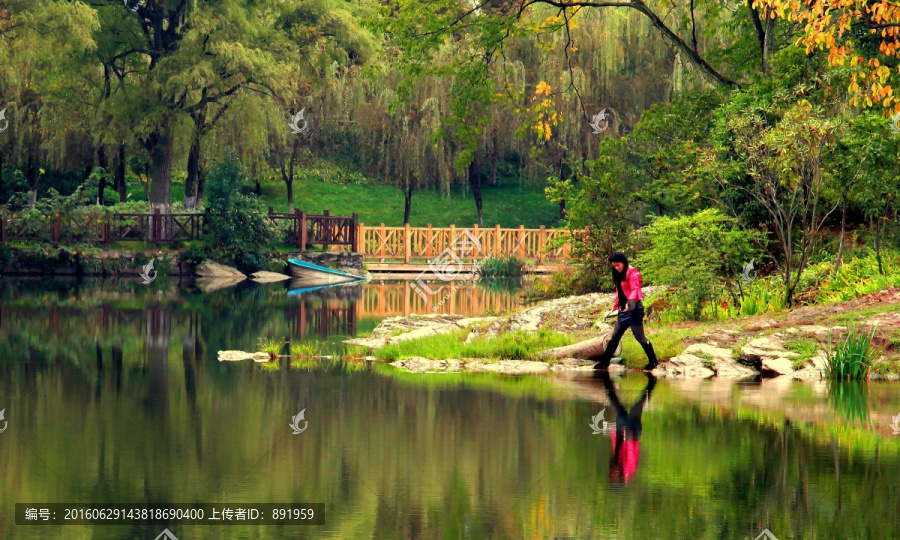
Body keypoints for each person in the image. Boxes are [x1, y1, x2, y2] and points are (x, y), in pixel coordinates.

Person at [593, 252, 659, 371]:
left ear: (623, 262)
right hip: (624, 309)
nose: (616, 268)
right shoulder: (620, 273)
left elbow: (635, 290)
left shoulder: (633, 273)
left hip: (633, 308)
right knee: (615, 336)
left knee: (640, 337)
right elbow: (619, 291)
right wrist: (615, 305)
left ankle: (653, 361)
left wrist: (630, 303)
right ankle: (605, 362)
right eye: (614, 266)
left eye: (618, 265)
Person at [596, 370, 656, 483]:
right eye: (614, 474)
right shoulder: (628, 467)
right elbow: (632, 450)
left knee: (612, 399)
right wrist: (626, 435)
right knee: (639, 405)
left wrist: (611, 429)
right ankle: (652, 381)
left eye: (611, 473)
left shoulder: (615, 459)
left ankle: (604, 378)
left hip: (622, 428)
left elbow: (616, 442)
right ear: (619, 476)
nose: (612, 471)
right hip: (632, 432)